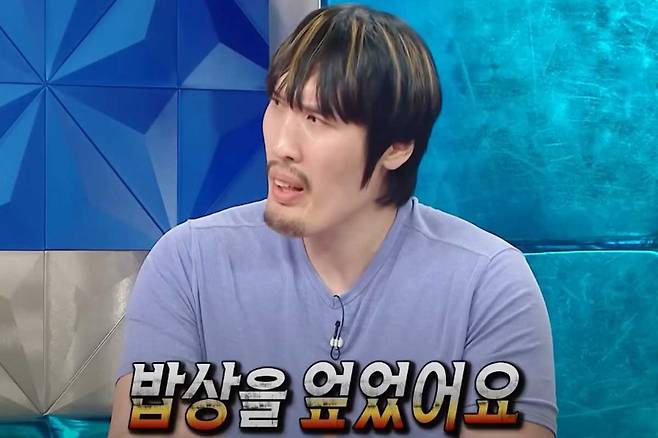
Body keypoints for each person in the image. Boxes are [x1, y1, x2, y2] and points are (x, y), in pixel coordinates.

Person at [109, 4, 557, 437]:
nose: (282, 145)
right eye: (278, 103)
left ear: (396, 147)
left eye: (316, 118)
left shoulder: (488, 283)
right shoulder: (188, 264)